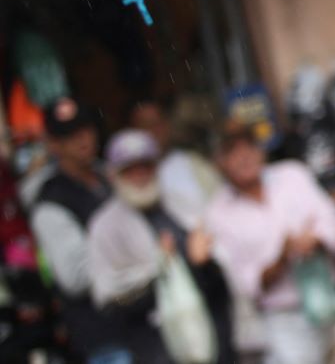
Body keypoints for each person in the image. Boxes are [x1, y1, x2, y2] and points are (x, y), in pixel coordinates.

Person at [204, 119, 335, 364]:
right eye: (232, 151)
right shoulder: (218, 213)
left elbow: (334, 225)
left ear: (260, 150)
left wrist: (315, 240)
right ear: (220, 163)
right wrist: (282, 256)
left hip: (332, 301)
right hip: (285, 322)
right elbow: (245, 284)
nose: (243, 156)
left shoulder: (293, 175)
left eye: (248, 147)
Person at [87, 129, 235, 363]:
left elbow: (217, 276)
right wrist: (161, 267)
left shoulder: (180, 203)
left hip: (212, 336)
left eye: (145, 166)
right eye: (130, 170)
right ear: (115, 175)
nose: (140, 175)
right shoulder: (105, 226)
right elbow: (110, 301)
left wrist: (201, 263)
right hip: (157, 345)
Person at [28, 97, 129, 362]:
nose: (81, 139)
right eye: (69, 135)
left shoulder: (111, 177)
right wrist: (133, 255)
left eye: (85, 129)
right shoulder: (50, 201)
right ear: (53, 144)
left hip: (141, 325)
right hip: (105, 338)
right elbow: (76, 276)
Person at [128, 98, 222, 230]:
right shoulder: (129, 180)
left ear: (167, 125)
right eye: (147, 125)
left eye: (158, 123)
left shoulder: (191, 162)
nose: (155, 130)